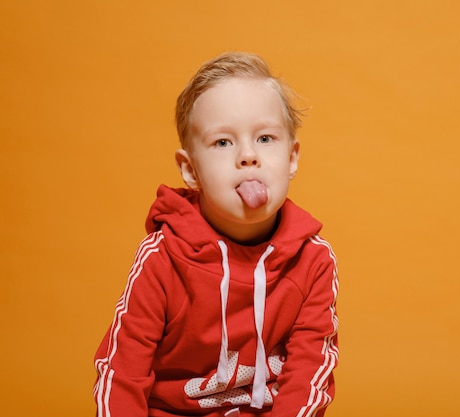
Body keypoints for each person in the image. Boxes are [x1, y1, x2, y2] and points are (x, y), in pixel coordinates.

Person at [94, 52, 339, 417]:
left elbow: (309, 375)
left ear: (291, 159)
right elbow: (122, 369)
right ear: (190, 170)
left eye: (266, 138)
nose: (248, 156)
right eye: (223, 142)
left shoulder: (314, 260)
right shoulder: (162, 257)